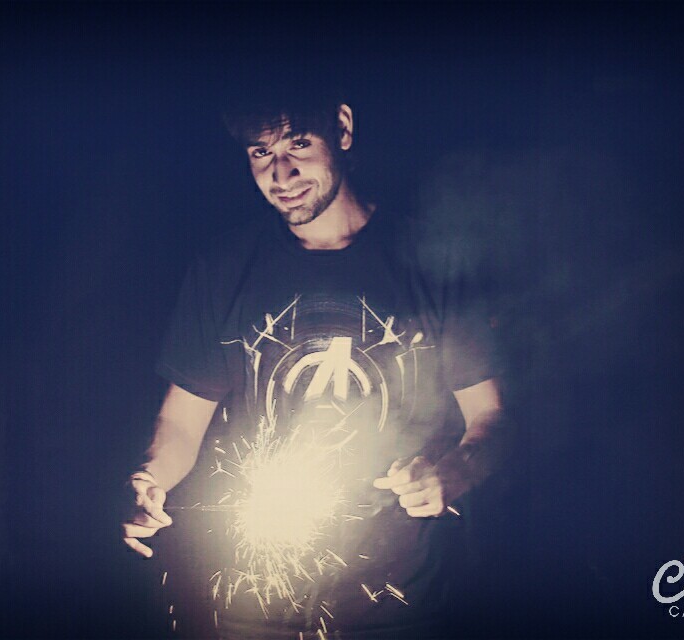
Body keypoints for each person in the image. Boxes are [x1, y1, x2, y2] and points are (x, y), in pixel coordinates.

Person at [122, 83, 505, 639]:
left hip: (399, 603)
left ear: (342, 129)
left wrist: (451, 472)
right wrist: (149, 479)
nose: (281, 174)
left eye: (298, 144)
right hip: (255, 607)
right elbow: (182, 421)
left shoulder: (432, 263)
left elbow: (492, 418)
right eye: (261, 152)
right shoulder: (225, 269)